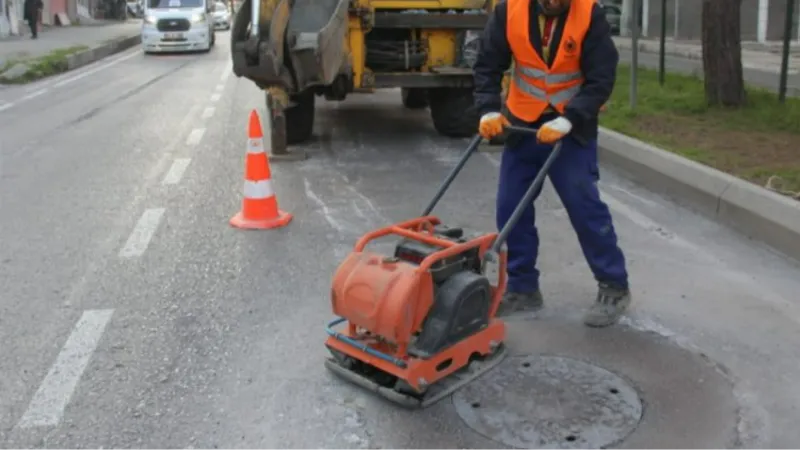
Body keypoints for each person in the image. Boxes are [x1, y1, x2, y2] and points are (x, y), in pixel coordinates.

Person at [473, 0, 631, 327]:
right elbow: (488, 63)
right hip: (523, 124)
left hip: (569, 129)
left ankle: (613, 285)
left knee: (584, 205)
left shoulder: (589, 14)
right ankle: (522, 287)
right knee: (510, 208)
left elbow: (602, 77)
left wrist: (570, 118)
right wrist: (488, 108)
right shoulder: (509, 10)